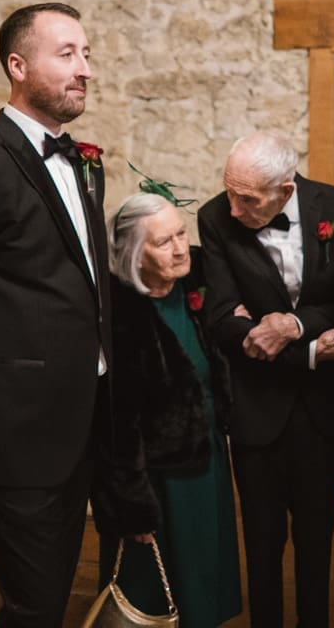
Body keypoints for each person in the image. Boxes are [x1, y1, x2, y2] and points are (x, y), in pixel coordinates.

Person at [0, 3, 109, 628]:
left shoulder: (85, 162)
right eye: (66, 54)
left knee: (62, 590)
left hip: (87, 416)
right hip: (19, 430)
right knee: (33, 606)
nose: (84, 68)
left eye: (87, 53)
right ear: (18, 66)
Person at [197, 131, 334, 628]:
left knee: (316, 543)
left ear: (285, 192)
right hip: (255, 409)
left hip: (322, 413)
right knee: (262, 547)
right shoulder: (215, 218)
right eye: (229, 190)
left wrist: (291, 324)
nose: (232, 206)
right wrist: (313, 351)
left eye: (246, 198)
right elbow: (225, 318)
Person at [92, 190, 242, 628]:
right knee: (154, 597)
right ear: (135, 255)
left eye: (181, 234)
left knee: (203, 581)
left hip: (206, 465)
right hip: (156, 486)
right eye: (163, 242)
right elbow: (113, 425)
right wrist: (133, 505)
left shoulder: (193, 291)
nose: (180, 248)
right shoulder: (120, 316)